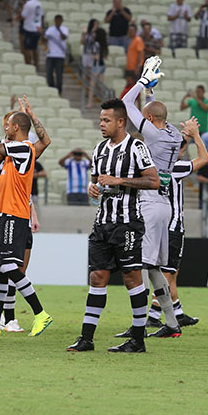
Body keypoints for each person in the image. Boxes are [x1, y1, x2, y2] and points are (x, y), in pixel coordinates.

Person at [66, 97, 160, 353]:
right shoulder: (99, 149)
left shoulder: (136, 147)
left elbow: (154, 181)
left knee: (132, 278)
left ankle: (138, 340)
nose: (101, 124)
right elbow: (96, 181)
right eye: (100, 120)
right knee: (97, 277)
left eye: (106, 120)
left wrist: (120, 181)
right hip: (102, 223)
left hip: (128, 224)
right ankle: (86, 338)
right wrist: (92, 188)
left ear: (120, 122)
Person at [0, 96, 53, 337]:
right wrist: (30, 116)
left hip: (12, 213)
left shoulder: (22, 148)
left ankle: (40, 313)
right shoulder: (17, 150)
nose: (5, 128)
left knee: (8, 266)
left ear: (16, 127)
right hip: (1, 213)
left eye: (8, 125)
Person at [115, 56, 187, 339]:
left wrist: (142, 81)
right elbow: (152, 111)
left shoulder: (153, 135)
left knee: (139, 265)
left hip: (149, 201)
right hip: (164, 204)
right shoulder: (174, 134)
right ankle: (171, 323)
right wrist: (151, 92)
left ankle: (138, 325)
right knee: (154, 266)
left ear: (151, 120)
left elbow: (126, 104)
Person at [153, 120, 208, 327]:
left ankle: (178, 312)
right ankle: (153, 316)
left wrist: (186, 137)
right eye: (181, 149)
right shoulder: (175, 168)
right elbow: (204, 158)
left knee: (170, 272)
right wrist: (195, 136)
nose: (182, 152)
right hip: (173, 226)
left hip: (158, 224)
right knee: (167, 274)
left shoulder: (154, 166)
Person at [43, 14, 69, 95]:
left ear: (61, 21)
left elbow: (64, 37)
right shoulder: (50, 29)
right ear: (54, 21)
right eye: (56, 21)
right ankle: (52, 89)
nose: (58, 22)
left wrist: (59, 30)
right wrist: (41, 33)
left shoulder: (64, 29)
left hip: (60, 55)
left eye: (59, 21)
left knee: (59, 75)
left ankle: (59, 91)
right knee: (49, 73)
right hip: (50, 55)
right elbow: (45, 39)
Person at [18, 0, 43, 65]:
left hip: (29, 28)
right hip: (36, 28)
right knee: (34, 48)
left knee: (27, 48)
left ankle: (28, 64)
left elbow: (23, 16)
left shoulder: (28, 4)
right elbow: (41, 16)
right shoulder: (39, 3)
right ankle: (36, 64)